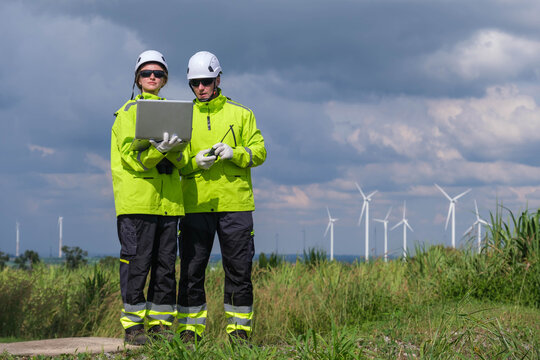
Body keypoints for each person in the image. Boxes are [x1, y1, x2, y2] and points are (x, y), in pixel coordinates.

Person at [177, 51, 267, 343]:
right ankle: (189, 333)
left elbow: (260, 152)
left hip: (235, 206)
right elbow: (174, 162)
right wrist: (192, 164)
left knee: (239, 272)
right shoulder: (181, 116)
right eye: (194, 83)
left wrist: (236, 154)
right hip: (195, 204)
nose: (200, 88)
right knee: (191, 272)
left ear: (218, 78)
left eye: (205, 81)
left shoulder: (242, 114)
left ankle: (239, 334)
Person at [110, 50, 187, 345]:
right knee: (137, 265)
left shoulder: (176, 114)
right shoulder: (128, 113)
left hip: (169, 206)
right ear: (137, 78)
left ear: (165, 79)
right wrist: (159, 150)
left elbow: (184, 158)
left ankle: (160, 326)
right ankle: (133, 327)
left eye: (158, 73)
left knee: (166, 269)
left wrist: (178, 150)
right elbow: (132, 158)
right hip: (138, 204)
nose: (152, 77)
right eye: (146, 73)